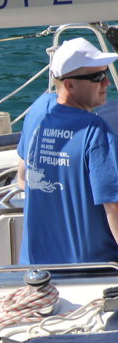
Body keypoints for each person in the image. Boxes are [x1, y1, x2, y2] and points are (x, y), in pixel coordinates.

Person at [16, 37, 118, 264]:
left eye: (106, 74)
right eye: (97, 77)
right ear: (69, 84)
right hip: (93, 270)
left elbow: (22, 177)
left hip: (36, 272)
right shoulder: (96, 130)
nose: (107, 83)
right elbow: (113, 207)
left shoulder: (38, 109)